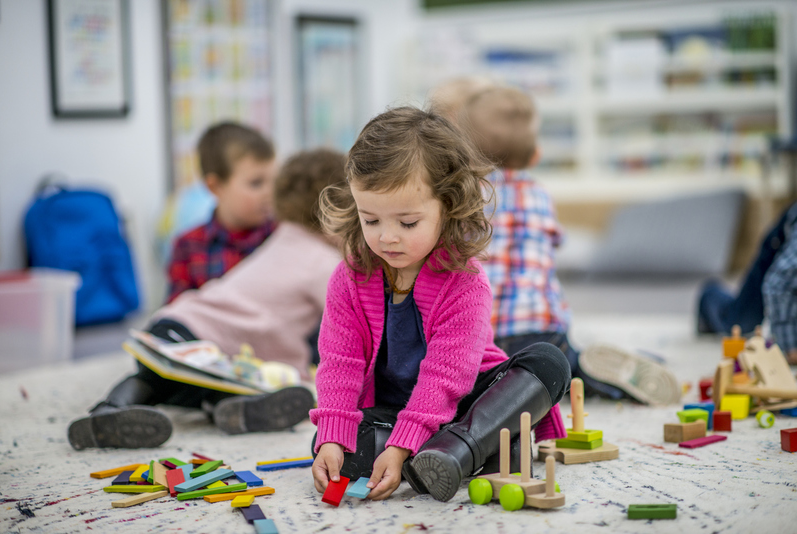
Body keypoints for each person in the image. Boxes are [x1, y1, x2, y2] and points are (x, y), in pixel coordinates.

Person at [309, 106, 571, 504]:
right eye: (371, 220)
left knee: (548, 362)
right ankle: (478, 452)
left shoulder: (465, 281)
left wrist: (400, 447)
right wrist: (332, 438)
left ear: (447, 207)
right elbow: (339, 364)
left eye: (407, 223)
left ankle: (457, 451)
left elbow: (446, 378)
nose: (387, 238)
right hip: (392, 410)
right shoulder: (348, 278)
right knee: (334, 437)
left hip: (464, 404)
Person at [67, 149, 346, 450]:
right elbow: (353, 325)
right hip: (191, 331)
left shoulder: (282, 237)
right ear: (335, 214)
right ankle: (113, 411)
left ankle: (221, 407)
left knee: (191, 380)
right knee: (168, 377)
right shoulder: (326, 263)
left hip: (186, 331)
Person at [457, 85, 681, 406]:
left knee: (491, 380)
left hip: (481, 338)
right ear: (535, 154)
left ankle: (507, 384)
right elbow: (549, 252)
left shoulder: (464, 198)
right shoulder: (539, 195)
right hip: (542, 332)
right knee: (563, 364)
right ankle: (595, 373)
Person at [166, 122, 279, 303]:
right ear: (216, 186)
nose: (270, 193)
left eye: (274, 181)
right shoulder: (187, 247)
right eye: (256, 183)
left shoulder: (283, 236)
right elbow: (178, 317)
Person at [698, 202, 797, 364]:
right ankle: (709, 297)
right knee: (739, 325)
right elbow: (779, 282)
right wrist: (790, 346)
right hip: (779, 249)